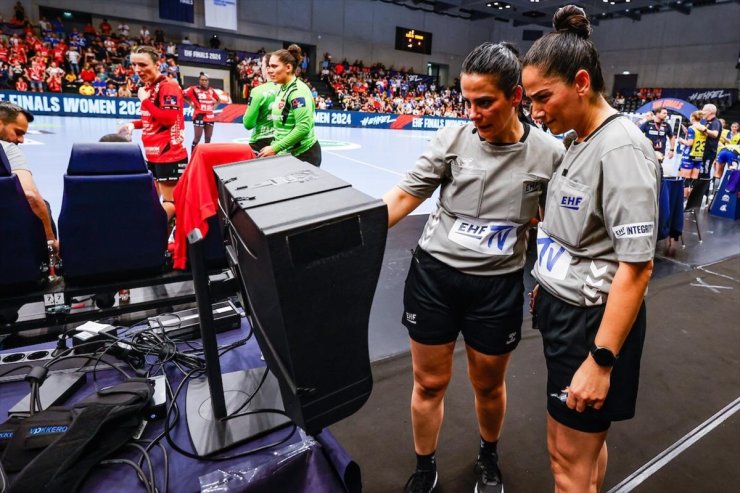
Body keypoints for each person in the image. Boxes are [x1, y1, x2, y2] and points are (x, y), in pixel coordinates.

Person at [383, 42, 564, 493]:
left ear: (515, 97)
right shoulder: (452, 140)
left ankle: (488, 457)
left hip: (497, 287)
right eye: (467, 102)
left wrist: (549, 276)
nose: (474, 113)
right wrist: (353, 234)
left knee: (487, 386)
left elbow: (555, 224)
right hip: (435, 279)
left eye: (485, 102)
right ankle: (425, 467)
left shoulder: (549, 154)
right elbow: (405, 196)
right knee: (429, 383)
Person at [522, 6, 659, 492]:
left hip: (591, 328)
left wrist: (600, 361)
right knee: (584, 454)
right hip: (566, 314)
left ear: (581, 82)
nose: (535, 112)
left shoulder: (621, 149)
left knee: (567, 463)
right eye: (530, 99)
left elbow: (636, 269)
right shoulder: (580, 139)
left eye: (543, 97)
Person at [119, 45, 187, 221]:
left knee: (170, 203)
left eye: (142, 64)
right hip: (153, 155)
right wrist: (133, 125)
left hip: (169, 155)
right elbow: (154, 119)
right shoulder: (149, 88)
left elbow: (169, 119)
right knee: (154, 202)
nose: (137, 70)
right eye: (134, 65)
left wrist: (145, 101)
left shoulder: (168, 87)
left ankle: (157, 241)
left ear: (157, 64)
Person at [0, 102, 58, 253]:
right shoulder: (8, 149)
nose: (21, 140)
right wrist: (51, 242)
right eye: (17, 132)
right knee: (43, 205)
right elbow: (30, 196)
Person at [258, 44, 321, 166]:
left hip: (304, 156)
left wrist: (275, 148)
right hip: (286, 154)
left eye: (274, 66)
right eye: (269, 66)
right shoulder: (282, 88)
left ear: (288, 67)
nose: (269, 70)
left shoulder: (298, 92)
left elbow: (303, 128)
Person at [242, 54, 278, 152]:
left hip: (260, 143)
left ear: (267, 68)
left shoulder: (258, 91)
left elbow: (248, 124)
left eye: (261, 65)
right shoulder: (289, 89)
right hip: (283, 142)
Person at [183, 73, 221, 152]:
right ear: (199, 81)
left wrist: (214, 107)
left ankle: (205, 156)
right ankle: (193, 157)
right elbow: (182, 94)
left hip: (210, 117)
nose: (204, 81)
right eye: (202, 80)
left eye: (206, 80)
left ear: (208, 81)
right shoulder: (193, 89)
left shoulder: (211, 90)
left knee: (208, 138)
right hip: (199, 116)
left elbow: (218, 100)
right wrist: (190, 103)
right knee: (197, 138)